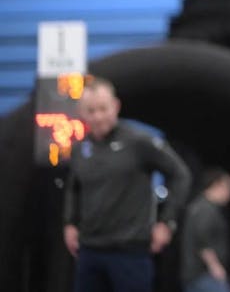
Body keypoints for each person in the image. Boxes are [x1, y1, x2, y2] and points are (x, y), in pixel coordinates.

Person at [63, 77, 192, 292]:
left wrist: (167, 222)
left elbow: (180, 175)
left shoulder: (138, 141)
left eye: (103, 109)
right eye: (91, 110)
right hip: (89, 251)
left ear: (115, 106)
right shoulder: (80, 149)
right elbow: (74, 186)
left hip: (130, 253)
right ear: (82, 113)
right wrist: (69, 223)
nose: (97, 116)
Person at [180, 168, 230, 292]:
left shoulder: (198, 207)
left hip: (195, 275)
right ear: (217, 185)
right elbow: (202, 240)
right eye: (228, 188)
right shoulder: (206, 209)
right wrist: (215, 266)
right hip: (204, 275)